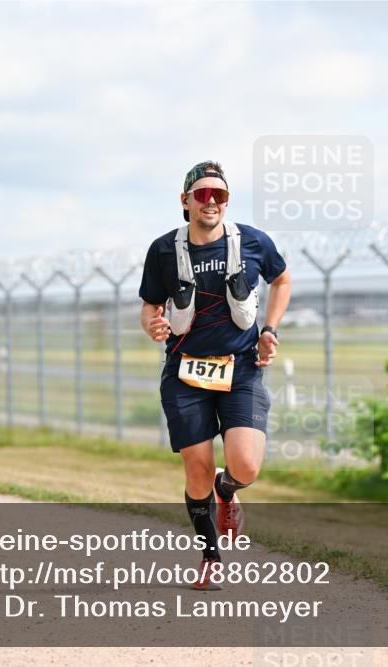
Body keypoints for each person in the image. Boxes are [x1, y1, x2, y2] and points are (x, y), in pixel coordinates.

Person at [138, 160, 292, 590]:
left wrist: (270, 330)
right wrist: (152, 323)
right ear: (185, 202)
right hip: (185, 374)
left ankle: (229, 490)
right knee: (197, 469)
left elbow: (282, 281)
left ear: (227, 201)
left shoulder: (253, 242)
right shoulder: (164, 251)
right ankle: (210, 556)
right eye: (202, 194)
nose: (211, 202)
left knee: (246, 464)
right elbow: (151, 306)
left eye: (219, 195)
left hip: (240, 369)